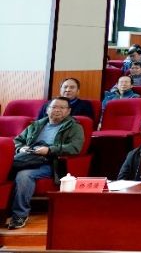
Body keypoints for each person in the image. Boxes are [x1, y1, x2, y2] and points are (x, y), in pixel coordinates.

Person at [6, 98, 84, 229]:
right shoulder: (37, 124)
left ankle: (19, 215)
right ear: (47, 110)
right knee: (8, 168)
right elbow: (17, 141)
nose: (57, 110)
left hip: (50, 162)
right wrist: (21, 148)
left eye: (62, 108)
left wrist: (49, 150)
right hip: (28, 156)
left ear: (68, 111)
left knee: (23, 175)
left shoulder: (75, 127)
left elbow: (75, 147)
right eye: (54, 107)